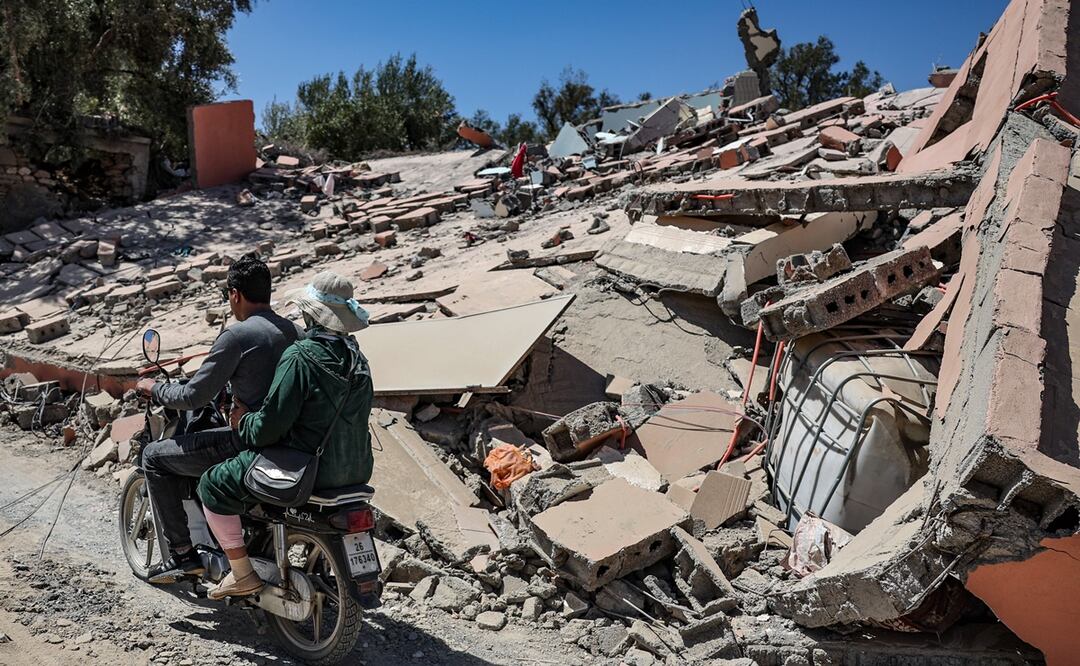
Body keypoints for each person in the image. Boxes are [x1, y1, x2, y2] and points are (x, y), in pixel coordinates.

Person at [197, 271, 375, 599]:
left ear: (310, 314)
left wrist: (243, 421)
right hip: (357, 469)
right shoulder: (358, 360)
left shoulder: (300, 357)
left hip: (309, 471)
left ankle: (241, 573)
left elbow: (268, 427)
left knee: (212, 483)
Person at [136, 255, 302, 583]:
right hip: (291, 441)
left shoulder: (237, 336)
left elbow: (193, 396)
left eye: (228, 295)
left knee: (153, 457)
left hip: (248, 440)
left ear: (235, 295)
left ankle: (183, 557)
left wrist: (155, 389)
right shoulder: (295, 331)